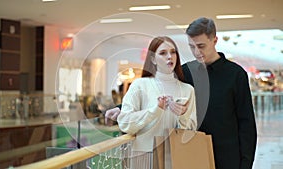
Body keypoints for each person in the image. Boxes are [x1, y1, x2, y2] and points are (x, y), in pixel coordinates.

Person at [106, 17, 257, 169]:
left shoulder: (236, 74)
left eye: (201, 46)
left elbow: (247, 124)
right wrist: (120, 108)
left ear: (215, 40)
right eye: (192, 46)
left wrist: (245, 163)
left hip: (226, 156)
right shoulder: (186, 72)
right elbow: (157, 90)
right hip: (189, 152)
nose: (197, 52)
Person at [117, 36, 197, 169]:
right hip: (143, 156)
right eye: (163, 53)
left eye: (173, 52)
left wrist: (182, 115)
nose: (170, 57)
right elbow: (125, 123)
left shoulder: (187, 90)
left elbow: (190, 131)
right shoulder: (140, 85)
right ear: (153, 59)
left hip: (175, 156)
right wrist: (155, 110)